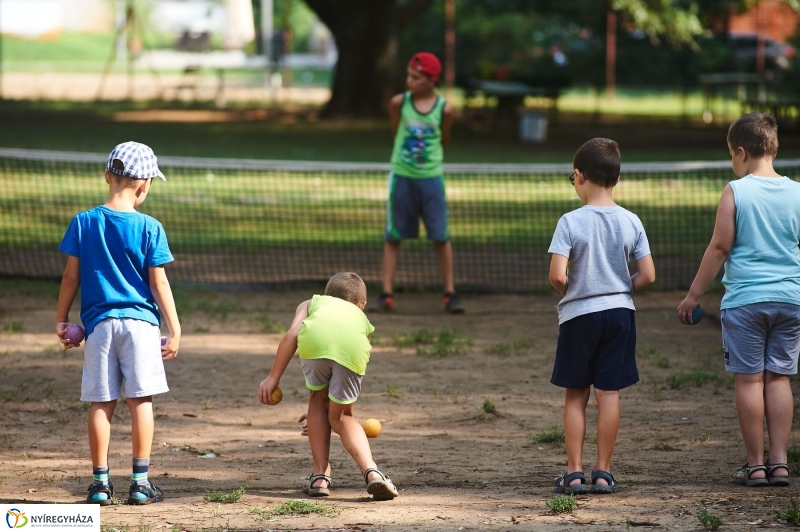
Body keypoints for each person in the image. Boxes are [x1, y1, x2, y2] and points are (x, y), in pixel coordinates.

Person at [677, 113, 800, 487]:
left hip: (746, 301)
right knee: (779, 379)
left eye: (732, 155)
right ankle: (780, 463)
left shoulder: (736, 190)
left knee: (749, 382)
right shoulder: (797, 191)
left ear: (742, 152)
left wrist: (693, 295)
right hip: (791, 301)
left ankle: (755, 464)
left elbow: (719, 247)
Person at [56, 141, 181, 505]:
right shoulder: (150, 227)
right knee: (141, 401)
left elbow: (70, 278)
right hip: (141, 326)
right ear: (145, 185)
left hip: (99, 327)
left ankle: (99, 483)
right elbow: (159, 282)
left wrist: (61, 319)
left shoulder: (83, 222)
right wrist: (174, 328)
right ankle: (140, 482)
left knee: (101, 403)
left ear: (107, 174)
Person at [548, 138, 656, 494]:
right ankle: (603, 472)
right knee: (608, 395)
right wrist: (621, 289)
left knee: (576, 395)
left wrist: (577, 294)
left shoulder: (570, 221)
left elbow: (557, 276)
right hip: (620, 315)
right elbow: (649, 275)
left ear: (579, 176)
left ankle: (575, 472)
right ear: (616, 179)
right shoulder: (631, 220)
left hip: (580, 317)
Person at [258, 272, 398, 500]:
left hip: (314, 345)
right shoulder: (360, 316)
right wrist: (333, 414)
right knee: (342, 417)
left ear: (327, 295)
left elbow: (292, 334)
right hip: (352, 349)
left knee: (317, 401)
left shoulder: (311, 303)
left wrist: (274, 377)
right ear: (361, 304)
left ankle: (320, 476)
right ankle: (372, 472)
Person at [371, 52, 463, 313]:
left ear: (431, 80)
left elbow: (443, 141)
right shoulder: (399, 103)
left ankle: (450, 293)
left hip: (431, 179)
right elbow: (394, 130)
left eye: (416, 77)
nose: (409, 81)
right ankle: (387, 293)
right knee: (393, 236)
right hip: (402, 177)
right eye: (409, 76)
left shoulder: (444, 109)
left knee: (441, 236)